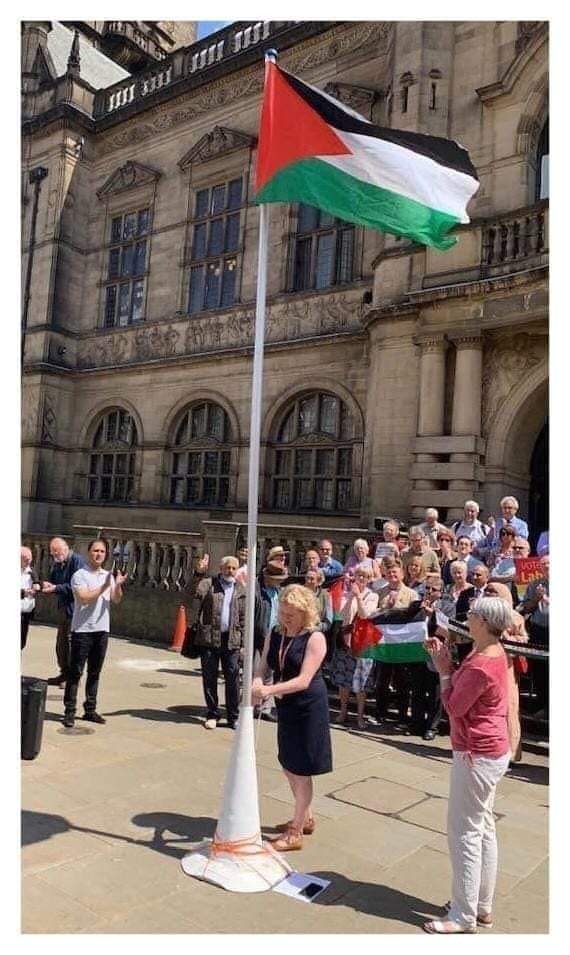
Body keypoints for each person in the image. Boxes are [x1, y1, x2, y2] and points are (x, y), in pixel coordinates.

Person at [423, 596, 513, 934]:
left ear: (485, 621)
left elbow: (455, 707)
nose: (468, 617)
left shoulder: (481, 663)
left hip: (476, 753)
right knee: (483, 827)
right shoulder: (489, 651)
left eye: (473, 614)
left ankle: (463, 915)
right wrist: (448, 662)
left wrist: (445, 672)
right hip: (489, 750)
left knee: (464, 834)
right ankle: (480, 905)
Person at [252, 584, 332, 851]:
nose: (285, 618)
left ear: (305, 612)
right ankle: (305, 816)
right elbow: (262, 664)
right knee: (287, 764)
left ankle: (295, 831)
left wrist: (268, 690)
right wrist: (255, 683)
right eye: (283, 612)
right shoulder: (275, 634)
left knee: (300, 770)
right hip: (285, 704)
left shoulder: (315, 638)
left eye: (292, 614)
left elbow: (303, 680)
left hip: (308, 706)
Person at [63, 539, 126, 728]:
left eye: (102, 551)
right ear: (88, 553)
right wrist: (104, 586)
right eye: (95, 551)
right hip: (82, 630)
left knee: (95, 672)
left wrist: (117, 584)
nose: (99, 554)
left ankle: (90, 709)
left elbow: (116, 599)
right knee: (75, 672)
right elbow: (83, 599)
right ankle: (69, 712)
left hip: (102, 630)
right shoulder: (79, 575)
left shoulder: (108, 575)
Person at [191, 555, 246, 730]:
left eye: (233, 568)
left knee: (233, 678)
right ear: (221, 569)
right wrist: (198, 574)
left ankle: (233, 716)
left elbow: (243, 618)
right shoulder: (209, 584)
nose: (230, 571)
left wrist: (243, 642)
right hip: (209, 639)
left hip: (232, 640)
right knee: (210, 677)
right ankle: (213, 713)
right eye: (227, 567)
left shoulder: (241, 589)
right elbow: (193, 593)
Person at [329, 565, 379, 729]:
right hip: (346, 639)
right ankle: (343, 712)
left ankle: (360, 716)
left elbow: (365, 615)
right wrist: (351, 596)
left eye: (365, 576)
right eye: (359, 576)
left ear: (369, 578)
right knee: (344, 680)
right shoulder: (346, 593)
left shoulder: (373, 596)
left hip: (363, 642)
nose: (361, 579)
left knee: (361, 682)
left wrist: (358, 597)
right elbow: (342, 616)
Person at [374, 558, 418, 725]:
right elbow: (373, 614)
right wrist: (386, 608)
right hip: (384, 644)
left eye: (396, 572)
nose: (392, 575)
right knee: (382, 680)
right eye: (390, 572)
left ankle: (402, 714)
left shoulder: (411, 594)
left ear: (402, 574)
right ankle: (380, 713)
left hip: (401, 644)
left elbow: (413, 617)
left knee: (402, 681)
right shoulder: (379, 593)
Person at [41, 537, 85, 687]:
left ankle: (74, 678)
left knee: (72, 643)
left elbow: (76, 587)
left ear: (66, 549)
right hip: (63, 608)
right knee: (61, 644)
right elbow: (55, 581)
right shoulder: (58, 563)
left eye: (57, 552)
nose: (55, 556)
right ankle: (64, 673)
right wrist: (49, 585)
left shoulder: (77, 561)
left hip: (75, 610)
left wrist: (55, 588)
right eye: (53, 553)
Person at [253, 561, 290, 722]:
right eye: (277, 578)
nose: (279, 581)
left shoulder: (280, 592)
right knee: (256, 670)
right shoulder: (258, 592)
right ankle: (251, 703)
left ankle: (265, 707)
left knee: (270, 671)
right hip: (258, 635)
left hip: (275, 634)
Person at [519, 555, 549, 718]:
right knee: (538, 668)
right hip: (539, 630)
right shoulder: (534, 585)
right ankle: (542, 703)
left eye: (549, 563)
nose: (547, 566)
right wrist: (537, 598)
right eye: (543, 564)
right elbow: (527, 609)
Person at [21, 546, 40, 651]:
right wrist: (24, 592)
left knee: (22, 642)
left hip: (27, 613)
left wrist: (38, 585)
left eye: (30, 559)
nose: (28, 562)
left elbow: (37, 582)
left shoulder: (32, 571)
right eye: (25, 559)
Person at [303, 568, 333, 634]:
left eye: (312, 579)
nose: (308, 581)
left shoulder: (326, 595)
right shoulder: (298, 592)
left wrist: (316, 628)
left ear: (319, 582)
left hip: (316, 631)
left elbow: (328, 621)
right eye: (307, 578)